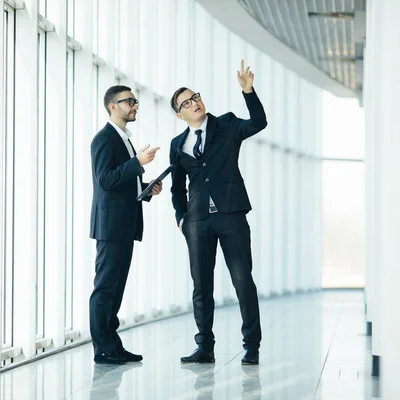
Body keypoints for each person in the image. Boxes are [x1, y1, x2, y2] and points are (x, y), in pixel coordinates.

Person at [169, 60, 267, 365]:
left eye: (195, 97)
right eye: (186, 103)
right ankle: (205, 347)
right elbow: (176, 187)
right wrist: (181, 218)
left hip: (231, 215)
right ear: (179, 114)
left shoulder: (227, 124)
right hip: (198, 222)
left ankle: (251, 344)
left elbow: (259, 122)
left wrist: (248, 91)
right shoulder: (178, 144)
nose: (194, 103)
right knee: (201, 286)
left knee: (242, 280)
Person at [89, 85, 162, 364]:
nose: (134, 105)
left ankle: (112, 344)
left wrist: (145, 188)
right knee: (105, 288)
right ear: (112, 106)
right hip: (110, 226)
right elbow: (105, 180)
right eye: (128, 101)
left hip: (123, 224)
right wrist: (137, 162)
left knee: (116, 288)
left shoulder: (124, 139)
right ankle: (103, 348)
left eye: (135, 101)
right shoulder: (104, 139)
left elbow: (119, 182)